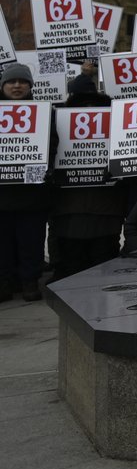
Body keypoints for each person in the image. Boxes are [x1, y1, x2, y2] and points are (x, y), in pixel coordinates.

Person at [48, 75, 124, 280]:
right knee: (79, 264)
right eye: (83, 103)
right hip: (76, 209)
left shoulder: (117, 121)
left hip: (101, 209)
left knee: (98, 265)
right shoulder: (56, 121)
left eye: (91, 104)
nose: (88, 109)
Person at [0, 63, 52, 302]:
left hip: (32, 194)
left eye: (22, 81)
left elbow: (53, 144)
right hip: (3, 195)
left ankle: (30, 281)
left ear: (30, 86)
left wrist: (41, 165)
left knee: (31, 242)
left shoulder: (43, 111)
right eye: (12, 81)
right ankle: (5, 282)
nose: (17, 85)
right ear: (3, 85)